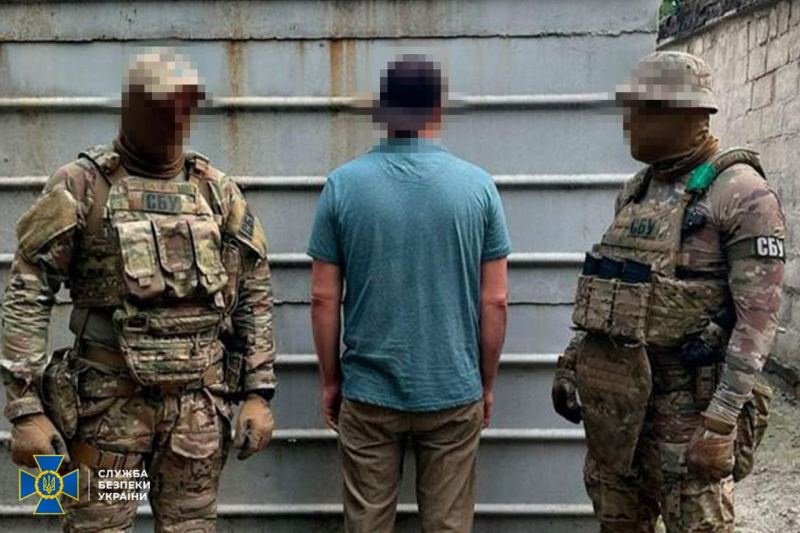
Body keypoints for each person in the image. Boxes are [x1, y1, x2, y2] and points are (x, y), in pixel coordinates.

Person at [0, 49, 277, 532]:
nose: (171, 124)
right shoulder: (81, 185)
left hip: (195, 417)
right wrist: (25, 411)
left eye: (179, 112)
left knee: (191, 528)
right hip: (107, 417)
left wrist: (257, 393)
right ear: (129, 109)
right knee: (99, 528)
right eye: (158, 110)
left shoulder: (216, 191)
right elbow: (27, 295)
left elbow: (253, 291)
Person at [551, 51, 785, 532]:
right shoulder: (636, 190)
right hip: (620, 415)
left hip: (690, 417)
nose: (629, 122)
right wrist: (573, 363)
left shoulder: (741, 194)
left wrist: (721, 420)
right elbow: (613, 292)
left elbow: (758, 319)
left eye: (642, 110)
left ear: (688, 114)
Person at [308, 55, 512, 533]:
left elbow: (322, 299)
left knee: (366, 524)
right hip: (453, 390)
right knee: (448, 525)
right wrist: (484, 383)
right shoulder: (479, 188)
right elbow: (496, 301)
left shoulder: (342, 186)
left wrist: (331, 381)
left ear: (382, 110)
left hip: (368, 392)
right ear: (437, 110)